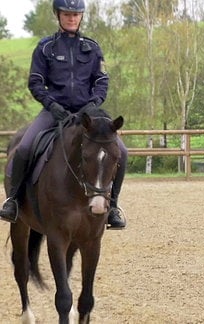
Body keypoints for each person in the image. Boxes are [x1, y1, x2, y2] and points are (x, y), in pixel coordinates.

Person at [0, 0, 127, 229]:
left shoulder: (92, 48)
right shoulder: (45, 47)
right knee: (26, 147)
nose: (71, 18)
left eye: (76, 14)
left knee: (122, 151)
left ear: (81, 17)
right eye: (67, 14)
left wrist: (93, 104)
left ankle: (113, 207)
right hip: (54, 111)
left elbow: (101, 82)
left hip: (87, 112)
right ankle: (13, 201)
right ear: (58, 15)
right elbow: (36, 82)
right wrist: (51, 104)